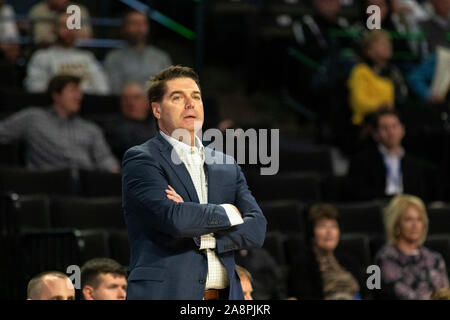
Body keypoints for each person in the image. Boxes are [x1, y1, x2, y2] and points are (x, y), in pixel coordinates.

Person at [122, 65, 267, 300]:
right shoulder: (142, 158)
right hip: (168, 292)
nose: (190, 104)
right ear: (157, 109)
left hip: (226, 294)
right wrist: (230, 212)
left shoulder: (226, 164)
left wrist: (201, 232)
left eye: (196, 97)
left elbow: (257, 229)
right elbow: (175, 220)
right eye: (177, 97)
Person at [0, 74, 119, 172]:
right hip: (48, 184)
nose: (79, 96)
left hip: (86, 183)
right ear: (56, 95)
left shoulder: (90, 128)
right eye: (73, 90)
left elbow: (105, 159)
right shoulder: (33, 118)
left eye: (79, 91)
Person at [375, 194, 449, 300]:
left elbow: (446, 293)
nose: (415, 225)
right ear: (396, 223)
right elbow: (404, 295)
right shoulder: (386, 258)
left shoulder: (435, 258)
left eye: (419, 219)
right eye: (408, 219)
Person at [348, 108, 425, 201]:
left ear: (402, 130)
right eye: (385, 128)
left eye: (394, 126)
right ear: (375, 134)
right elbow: (357, 193)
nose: (391, 132)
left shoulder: (413, 164)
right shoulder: (362, 161)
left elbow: (420, 195)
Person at [289, 204, 363, 300]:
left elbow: (365, 293)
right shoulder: (302, 264)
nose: (329, 231)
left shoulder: (350, 261)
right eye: (322, 226)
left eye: (334, 226)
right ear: (312, 232)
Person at [25, 13, 109, 95]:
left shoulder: (87, 57)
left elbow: (103, 88)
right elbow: (35, 88)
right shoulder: (42, 56)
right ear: (54, 29)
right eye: (64, 26)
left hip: (89, 103)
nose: (69, 30)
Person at [347, 30, 408, 126]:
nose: (388, 46)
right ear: (369, 51)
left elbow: (401, 96)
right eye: (382, 43)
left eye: (388, 42)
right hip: (368, 122)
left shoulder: (393, 72)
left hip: (391, 120)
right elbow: (358, 102)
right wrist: (382, 106)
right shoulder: (361, 71)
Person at [104, 10, 172, 94]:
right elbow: (113, 90)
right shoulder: (113, 57)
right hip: (126, 104)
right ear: (124, 28)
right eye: (134, 23)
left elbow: (168, 87)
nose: (139, 28)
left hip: (156, 104)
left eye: (143, 23)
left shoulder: (161, 57)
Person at [102, 82, 157, 160]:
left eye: (136, 98)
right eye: (125, 99)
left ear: (147, 102)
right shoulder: (112, 126)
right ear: (120, 103)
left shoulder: (159, 121)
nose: (131, 103)